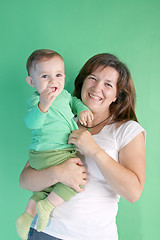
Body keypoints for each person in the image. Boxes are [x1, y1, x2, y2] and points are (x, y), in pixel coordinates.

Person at [19, 53, 146, 240]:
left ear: (116, 95)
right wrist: (59, 173)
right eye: (92, 79)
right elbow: (25, 180)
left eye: (108, 84)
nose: (97, 88)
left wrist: (93, 150)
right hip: (45, 231)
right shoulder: (63, 119)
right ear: (83, 82)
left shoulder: (127, 130)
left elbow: (133, 193)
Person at [16, 49, 93, 240]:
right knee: (78, 180)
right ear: (32, 82)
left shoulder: (65, 95)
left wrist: (83, 110)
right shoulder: (37, 100)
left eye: (58, 75)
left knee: (44, 189)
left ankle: (28, 214)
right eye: (45, 76)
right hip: (52, 152)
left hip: (44, 156)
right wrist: (43, 105)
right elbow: (31, 123)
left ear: (64, 76)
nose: (53, 81)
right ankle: (48, 205)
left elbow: (75, 102)